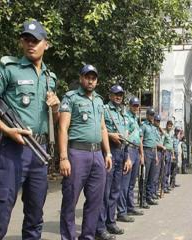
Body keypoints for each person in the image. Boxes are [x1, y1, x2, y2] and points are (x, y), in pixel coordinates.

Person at [0, 20, 60, 239]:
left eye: (35, 40)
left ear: (46, 44)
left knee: (35, 218)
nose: (30, 44)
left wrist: (55, 107)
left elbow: (53, 120)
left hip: (39, 151)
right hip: (12, 150)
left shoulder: (49, 78)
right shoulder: (9, 70)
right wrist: (6, 129)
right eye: (26, 39)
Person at [58, 64, 113, 240]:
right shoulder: (71, 97)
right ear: (81, 78)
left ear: (97, 81)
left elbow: (103, 128)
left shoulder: (99, 101)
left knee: (95, 201)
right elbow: (62, 127)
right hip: (76, 153)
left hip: (97, 155)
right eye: (87, 77)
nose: (90, 80)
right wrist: (63, 157)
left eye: (93, 78)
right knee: (70, 201)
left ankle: (87, 236)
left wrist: (108, 153)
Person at [95, 85, 132, 236]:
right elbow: (97, 128)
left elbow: (125, 137)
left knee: (115, 191)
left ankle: (111, 222)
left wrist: (127, 157)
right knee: (105, 191)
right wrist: (110, 135)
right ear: (110, 95)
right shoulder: (104, 109)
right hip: (108, 152)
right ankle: (100, 227)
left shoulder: (123, 113)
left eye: (121, 95)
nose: (118, 97)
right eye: (116, 94)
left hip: (121, 153)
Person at [124, 97, 145, 215]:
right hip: (129, 149)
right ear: (130, 105)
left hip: (136, 150)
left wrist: (141, 154)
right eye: (134, 105)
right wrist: (126, 154)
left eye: (137, 105)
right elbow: (126, 136)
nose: (136, 107)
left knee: (132, 182)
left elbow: (140, 139)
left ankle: (130, 206)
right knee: (125, 183)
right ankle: (123, 210)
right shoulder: (126, 117)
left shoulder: (136, 119)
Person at [140, 108, 159, 206]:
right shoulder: (143, 126)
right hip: (146, 151)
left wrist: (156, 156)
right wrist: (142, 154)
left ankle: (149, 197)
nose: (152, 116)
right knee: (145, 177)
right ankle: (142, 200)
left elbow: (155, 143)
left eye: (153, 115)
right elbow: (141, 140)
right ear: (147, 115)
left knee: (151, 177)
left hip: (152, 152)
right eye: (150, 114)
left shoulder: (154, 127)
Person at [162, 120, 175, 193]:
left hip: (170, 152)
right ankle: (163, 186)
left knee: (168, 171)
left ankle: (166, 186)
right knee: (165, 170)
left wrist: (173, 155)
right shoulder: (164, 133)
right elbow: (162, 142)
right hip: (165, 152)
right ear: (166, 125)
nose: (169, 127)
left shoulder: (171, 134)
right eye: (169, 125)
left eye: (171, 126)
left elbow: (172, 145)